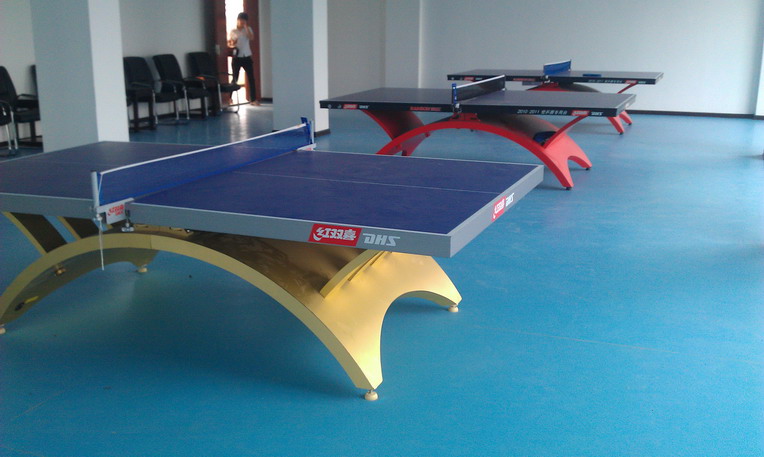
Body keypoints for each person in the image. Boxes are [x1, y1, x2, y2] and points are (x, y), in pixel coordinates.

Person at [228, 12, 257, 104]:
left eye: (244, 20)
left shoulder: (248, 29)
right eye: (240, 20)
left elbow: (251, 38)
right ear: (237, 20)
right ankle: (229, 98)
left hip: (247, 56)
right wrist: (233, 43)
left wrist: (246, 28)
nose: (242, 22)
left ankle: (253, 99)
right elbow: (230, 43)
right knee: (234, 78)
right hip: (237, 57)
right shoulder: (233, 31)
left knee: (251, 78)